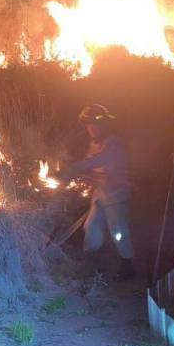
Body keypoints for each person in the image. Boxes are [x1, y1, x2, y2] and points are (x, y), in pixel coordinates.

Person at [65, 103, 135, 281]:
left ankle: (128, 266)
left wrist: (74, 167)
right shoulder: (93, 144)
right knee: (91, 229)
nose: (92, 128)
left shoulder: (113, 142)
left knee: (119, 232)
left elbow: (99, 161)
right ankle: (92, 266)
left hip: (116, 196)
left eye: (96, 124)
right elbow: (92, 166)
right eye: (89, 124)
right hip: (100, 196)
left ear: (105, 124)